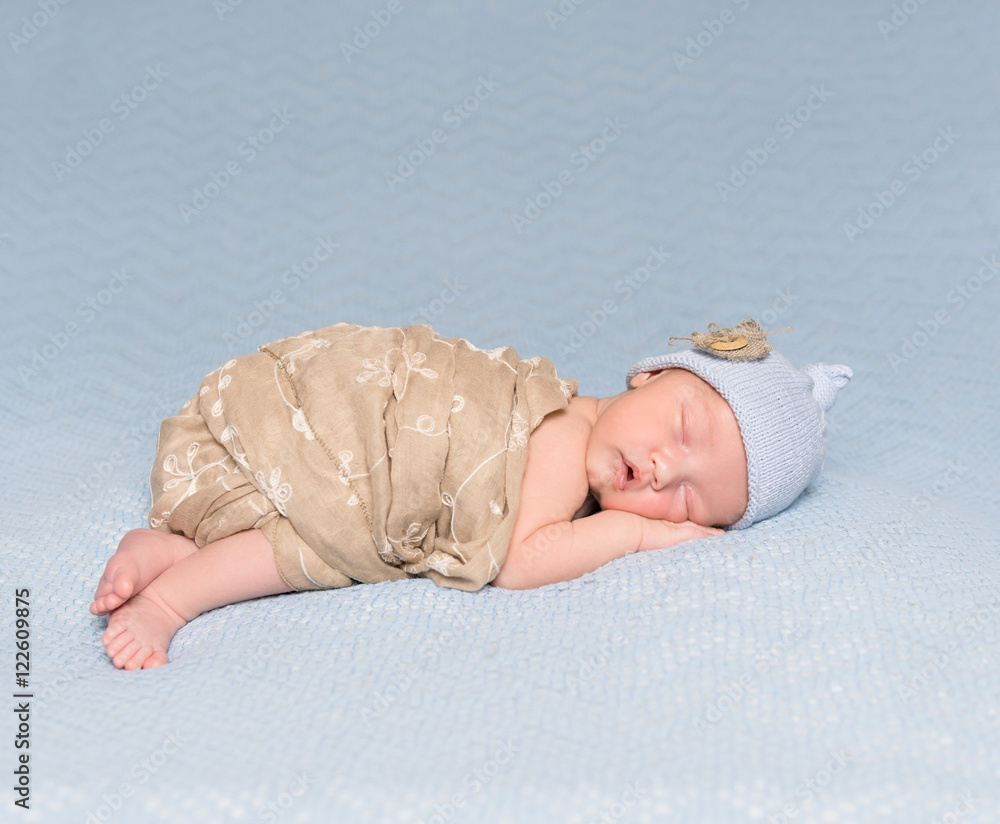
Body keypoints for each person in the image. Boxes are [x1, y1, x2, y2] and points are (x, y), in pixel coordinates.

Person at [89, 320, 851, 670]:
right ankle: (168, 602)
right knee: (330, 542)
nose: (661, 469)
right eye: (681, 427)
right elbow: (522, 561)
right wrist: (643, 535)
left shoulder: (572, 429)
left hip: (260, 427)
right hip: (325, 424)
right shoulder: (556, 433)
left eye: (688, 501)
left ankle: (171, 544)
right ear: (647, 374)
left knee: (309, 508)